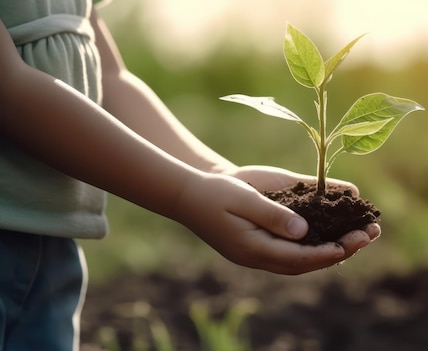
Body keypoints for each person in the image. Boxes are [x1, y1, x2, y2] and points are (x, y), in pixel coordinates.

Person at [0, 0, 381, 350]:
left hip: (53, 248)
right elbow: (8, 88)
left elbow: (107, 74)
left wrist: (216, 172)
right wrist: (185, 193)